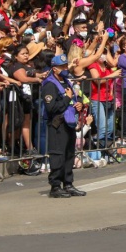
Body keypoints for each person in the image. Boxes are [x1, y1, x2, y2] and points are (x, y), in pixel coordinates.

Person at [40, 54, 85, 198]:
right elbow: (51, 108)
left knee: (69, 154)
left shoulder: (67, 82)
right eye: (62, 67)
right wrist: (66, 98)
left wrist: (79, 105)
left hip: (69, 122)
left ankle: (68, 184)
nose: (65, 69)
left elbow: (73, 99)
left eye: (66, 66)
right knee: (58, 155)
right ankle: (55, 186)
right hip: (57, 124)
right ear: (55, 69)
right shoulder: (50, 85)